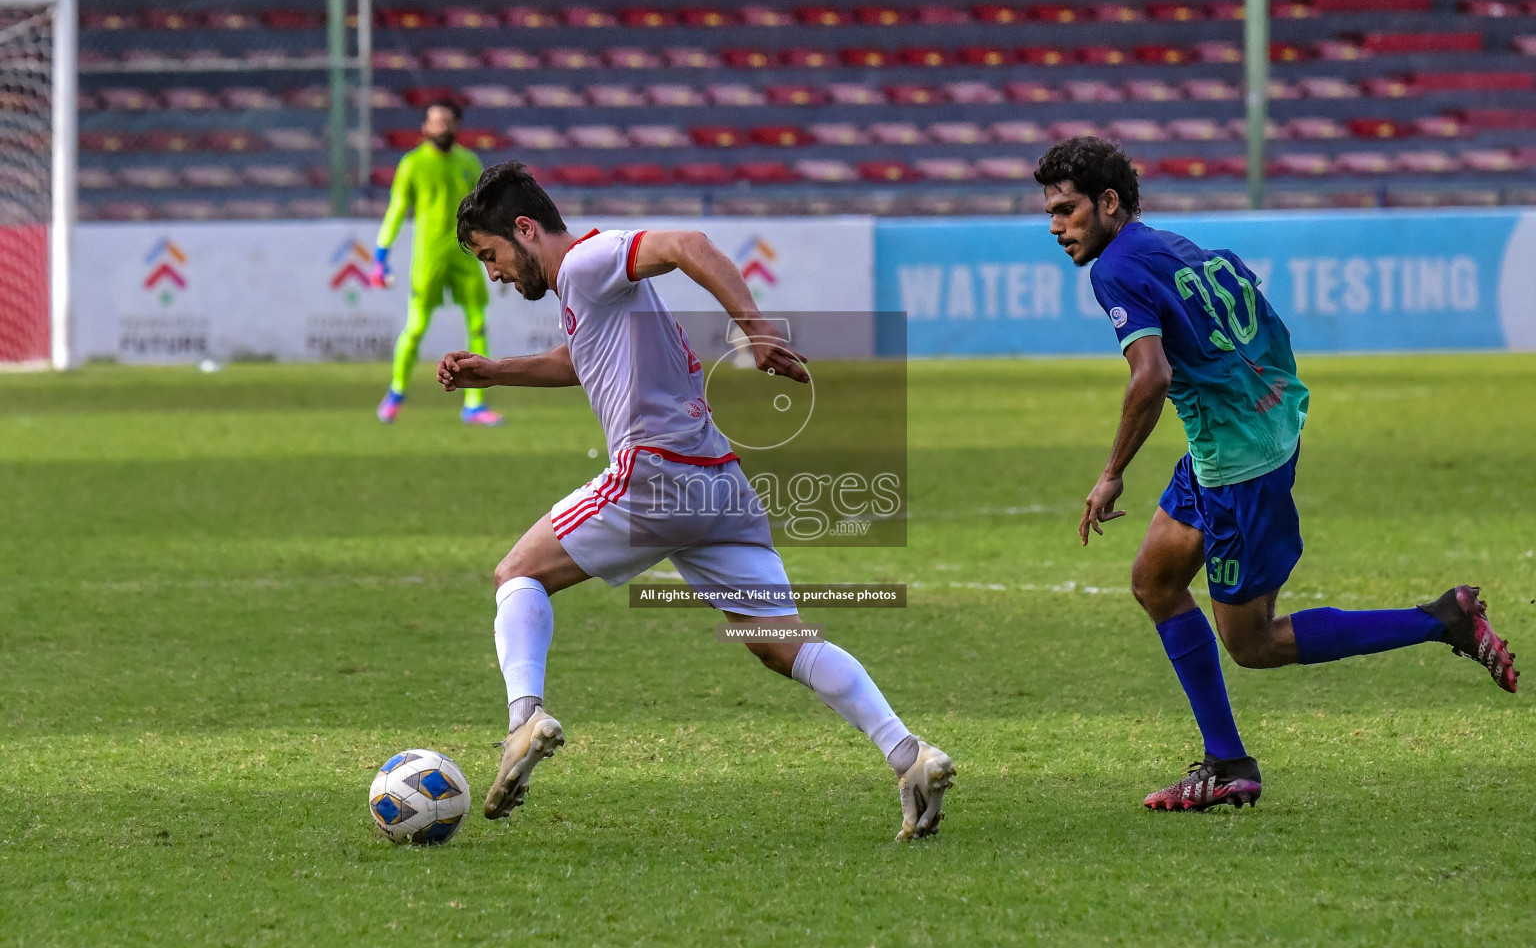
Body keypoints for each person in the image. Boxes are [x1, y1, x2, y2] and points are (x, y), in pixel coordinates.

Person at [434, 161, 955, 841]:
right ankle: (909, 754)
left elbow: (689, 246)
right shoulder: (583, 287)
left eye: (491, 254)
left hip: (655, 476)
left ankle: (523, 719)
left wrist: (756, 327)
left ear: (525, 229)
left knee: (517, 574)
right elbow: (579, 360)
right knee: (780, 641)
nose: (494, 273)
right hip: (717, 483)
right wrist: (493, 372)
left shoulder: (590, 258)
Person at [1034, 136, 1515, 811]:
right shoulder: (1178, 248)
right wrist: (1267, 393)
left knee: (1253, 643)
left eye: (1067, 209)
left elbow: (1152, 376)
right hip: (1232, 444)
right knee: (1155, 580)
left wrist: (1112, 472)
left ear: (1108, 204)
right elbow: (1266, 323)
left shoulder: (1113, 269)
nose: (1056, 226)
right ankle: (1226, 762)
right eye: (1050, 212)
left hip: (1239, 467)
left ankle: (1442, 621)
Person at [372, 98, 503, 426]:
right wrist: (381, 254)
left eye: (446, 121)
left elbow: (486, 211)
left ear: (457, 126)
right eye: (435, 121)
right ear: (424, 127)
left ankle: (474, 404)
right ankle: (397, 392)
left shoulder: (470, 163)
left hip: (465, 255)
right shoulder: (413, 164)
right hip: (428, 257)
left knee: (477, 325)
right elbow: (398, 209)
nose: (440, 127)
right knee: (415, 327)